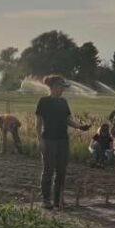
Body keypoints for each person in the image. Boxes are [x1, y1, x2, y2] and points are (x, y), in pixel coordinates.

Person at [35, 75, 91, 209]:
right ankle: (46, 199)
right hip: (49, 139)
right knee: (48, 170)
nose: (63, 90)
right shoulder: (43, 101)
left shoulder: (63, 102)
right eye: (62, 87)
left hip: (62, 140)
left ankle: (58, 199)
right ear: (54, 87)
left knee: (61, 171)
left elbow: (67, 120)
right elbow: (38, 123)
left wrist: (79, 126)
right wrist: (40, 140)